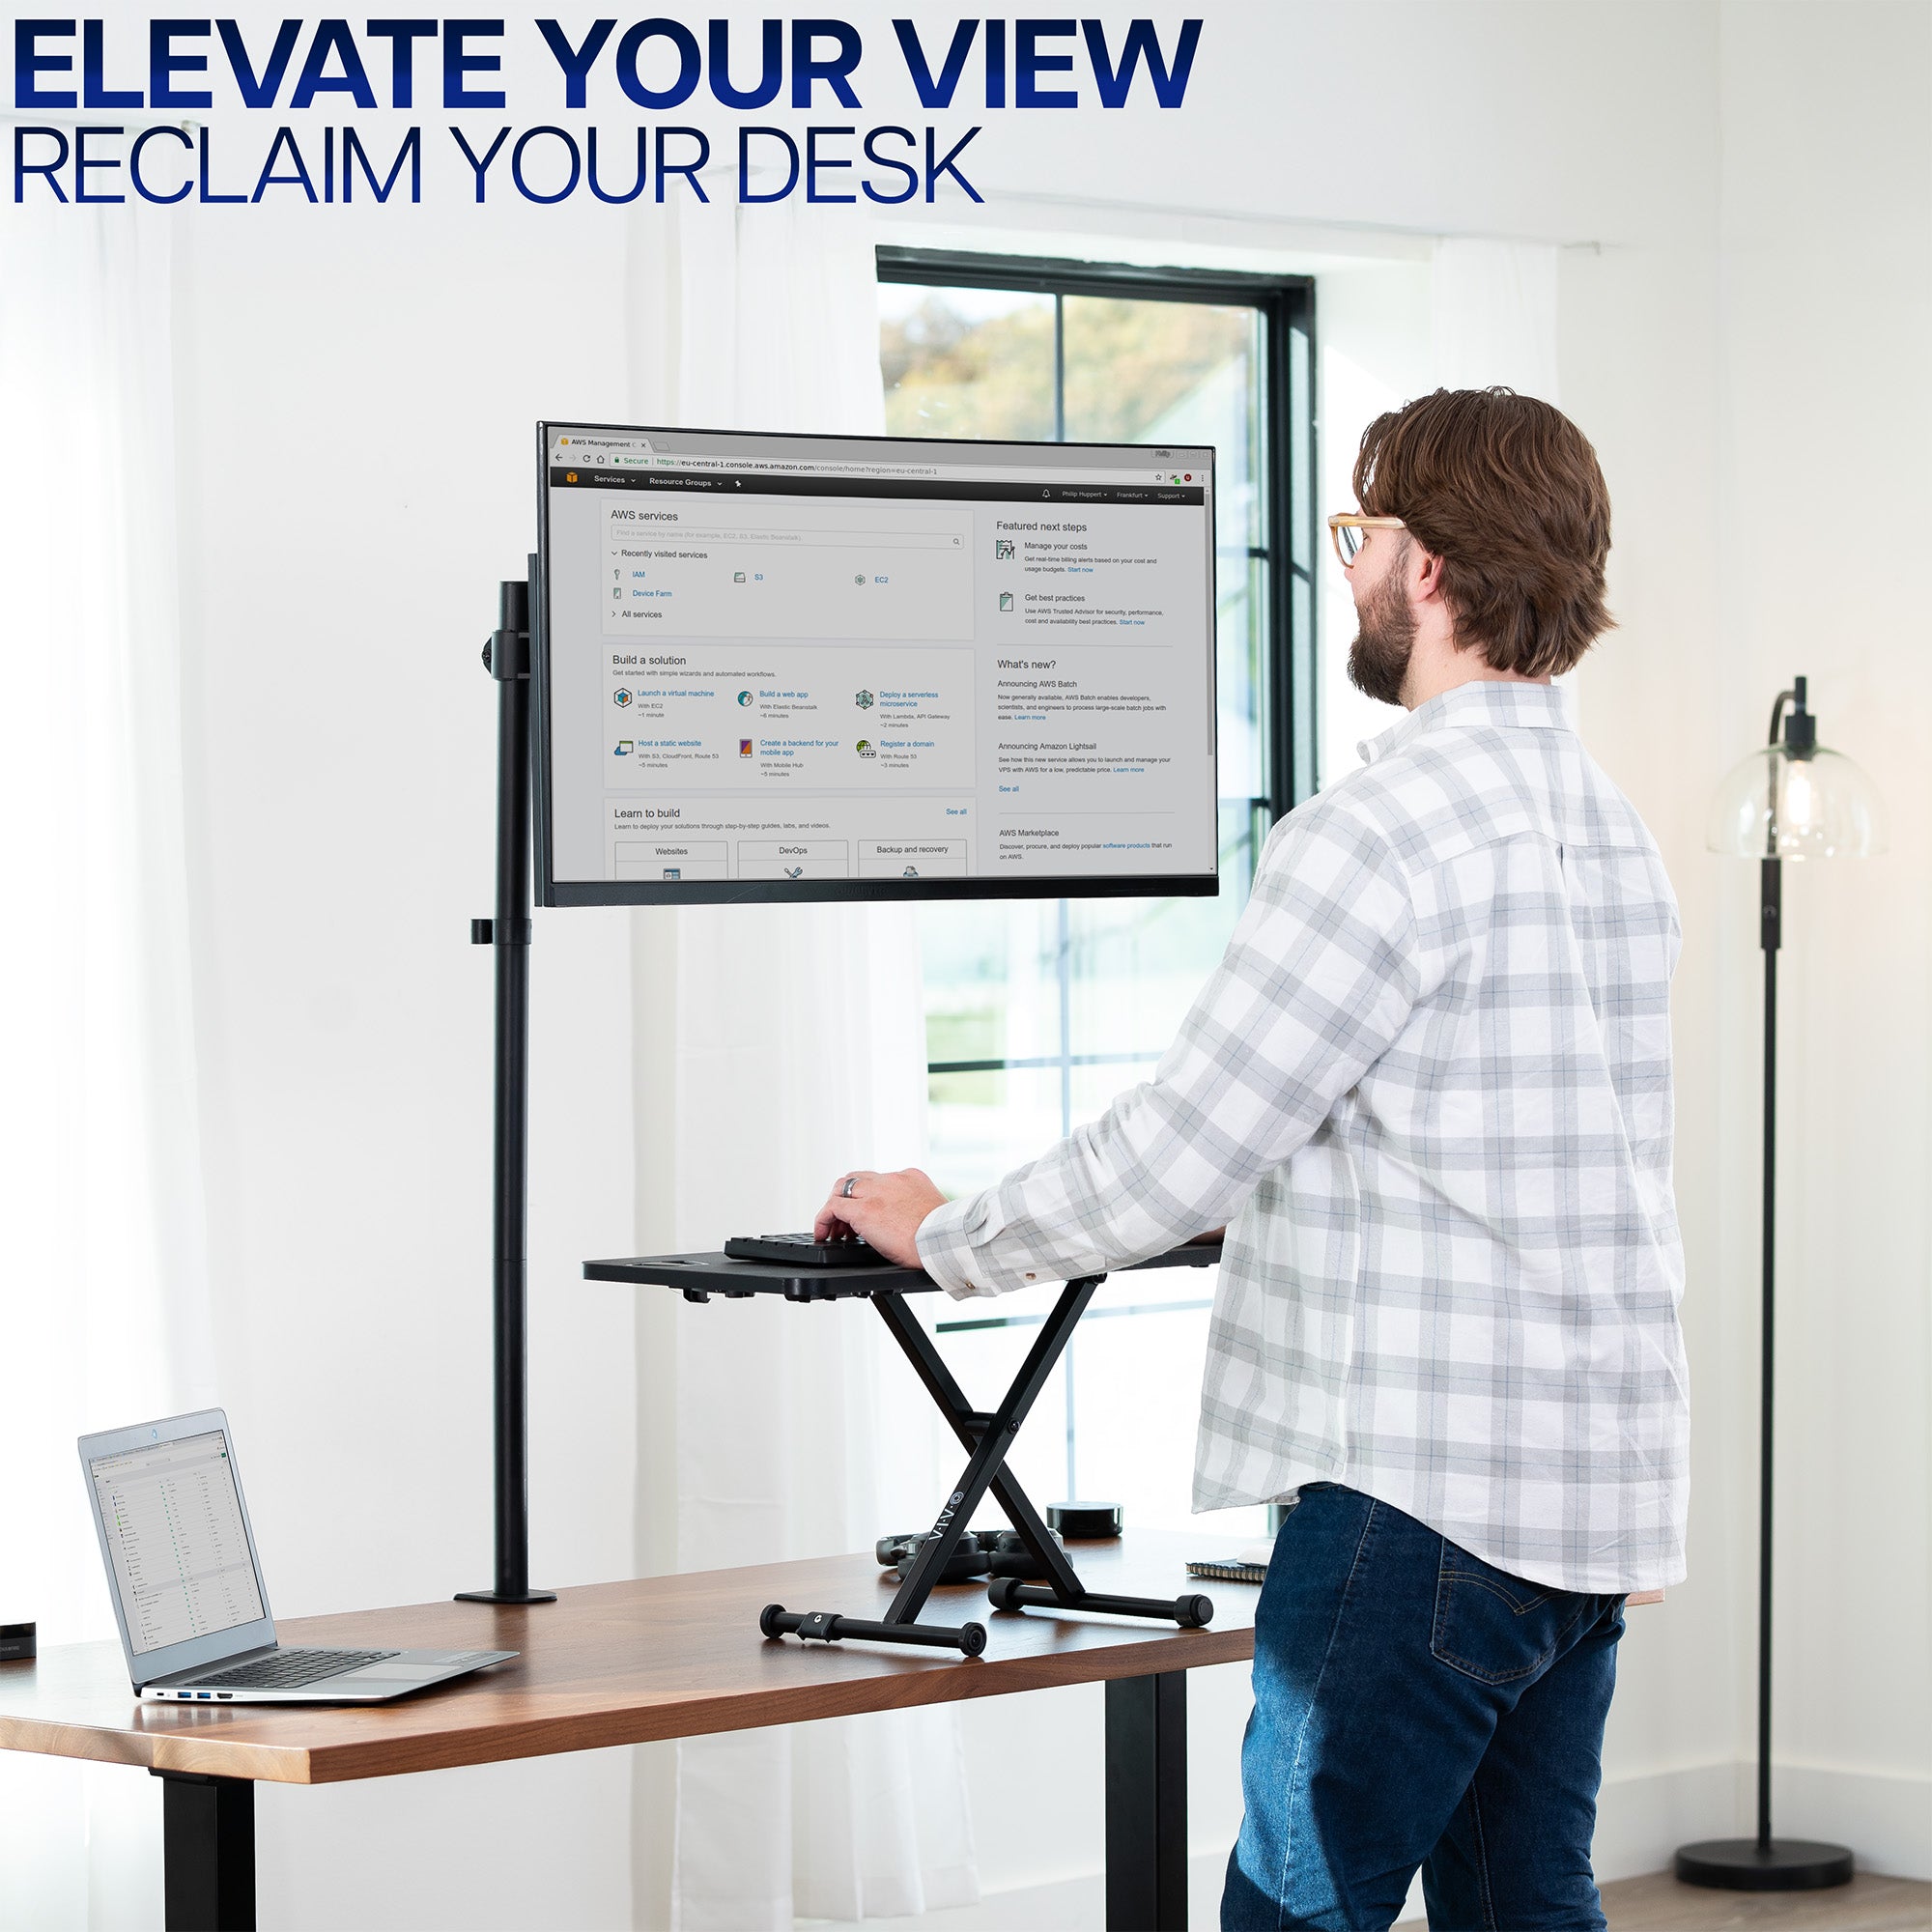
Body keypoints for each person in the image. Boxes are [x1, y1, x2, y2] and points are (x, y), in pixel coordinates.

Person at [815, 387, 1688, 1932]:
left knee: (1299, 1909)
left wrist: (948, 1227)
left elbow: (1178, 1152)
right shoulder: (1611, 829)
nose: (1351, 570)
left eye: (1364, 535)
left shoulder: (1378, 829)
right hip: (1583, 1505)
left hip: (1418, 1502)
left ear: (1428, 568)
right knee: (1525, 1905)